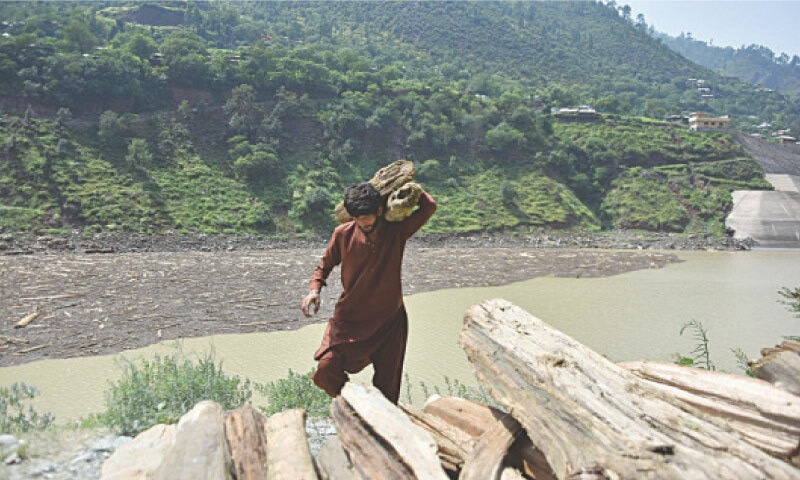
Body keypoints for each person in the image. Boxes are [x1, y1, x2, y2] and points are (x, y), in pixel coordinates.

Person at [301, 181, 437, 404]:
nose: (363, 223)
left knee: (388, 390)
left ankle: (382, 425)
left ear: (380, 210)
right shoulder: (343, 234)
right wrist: (313, 291)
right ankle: (357, 404)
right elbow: (323, 267)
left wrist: (404, 182)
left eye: (368, 217)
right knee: (326, 369)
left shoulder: (396, 231)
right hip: (349, 320)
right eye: (358, 218)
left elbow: (429, 206)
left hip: (389, 322)